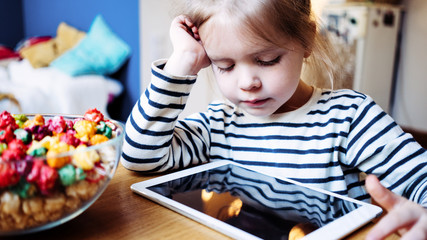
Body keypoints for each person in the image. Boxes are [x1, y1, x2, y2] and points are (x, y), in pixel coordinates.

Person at [121, 0, 427, 239]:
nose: (247, 82)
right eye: (224, 66)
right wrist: (183, 60)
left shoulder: (348, 117)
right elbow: (139, 155)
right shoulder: (219, 124)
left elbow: (420, 178)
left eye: (266, 60)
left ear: (306, 38)